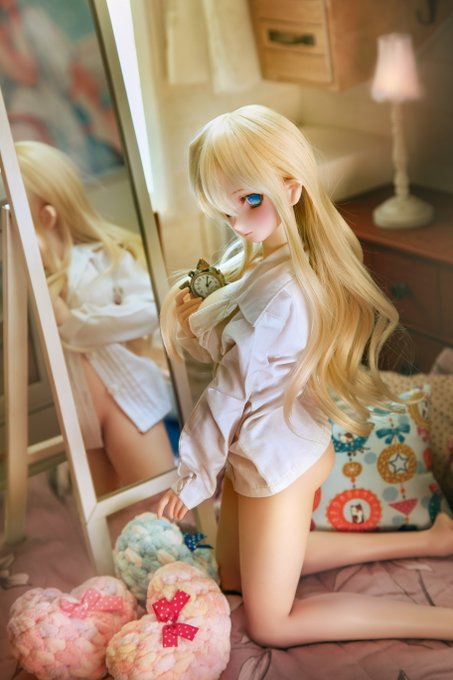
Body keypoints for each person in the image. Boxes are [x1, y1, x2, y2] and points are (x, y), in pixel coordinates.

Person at [157, 105, 453, 647]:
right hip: (263, 442)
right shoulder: (265, 261)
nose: (238, 222)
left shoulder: (284, 292)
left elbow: (227, 392)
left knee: (271, 624)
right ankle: (430, 540)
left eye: (250, 201)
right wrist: (196, 318)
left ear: (291, 188)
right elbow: (238, 358)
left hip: (278, 459)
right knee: (234, 575)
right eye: (225, 209)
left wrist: (193, 475)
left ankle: (443, 622)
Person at [16, 140, 175, 496]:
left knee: (155, 502)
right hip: (77, 417)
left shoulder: (105, 259)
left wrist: (73, 321)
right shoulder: (22, 285)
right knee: (106, 511)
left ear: (47, 217)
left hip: (126, 401)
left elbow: (151, 310)